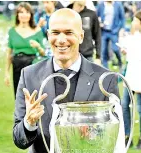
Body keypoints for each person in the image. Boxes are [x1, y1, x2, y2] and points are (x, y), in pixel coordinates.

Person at [13, 8, 119, 153]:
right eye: (55, 33)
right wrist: (29, 123)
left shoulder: (105, 79)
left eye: (69, 33)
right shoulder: (29, 75)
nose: (61, 40)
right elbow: (19, 140)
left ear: (81, 36)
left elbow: (114, 138)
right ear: (48, 35)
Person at [4, 2, 45, 97]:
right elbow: (9, 53)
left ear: (31, 15)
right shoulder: (12, 31)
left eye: (27, 12)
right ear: (17, 15)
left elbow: (43, 53)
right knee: (18, 96)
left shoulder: (37, 30)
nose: (24, 15)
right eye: (21, 12)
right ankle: (20, 112)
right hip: (17, 65)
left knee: (32, 95)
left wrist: (38, 46)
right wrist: (6, 73)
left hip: (32, 65)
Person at [119, 10, 141, 149]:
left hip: (139, 77)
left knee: (139, 107)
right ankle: (127, 135)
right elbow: (131, 56)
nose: (132, 22)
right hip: (130, 76)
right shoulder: (134, 37)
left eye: (135, 20)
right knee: (124, 105)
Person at [97, 1, 125, 69]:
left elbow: (122, 18)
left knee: (115, 48)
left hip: (114, 31)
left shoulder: (118, 4)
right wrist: (99, 22)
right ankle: (106, 70)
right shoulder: (101, 5)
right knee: (103, 51)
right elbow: (97, 16)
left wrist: (121, 28)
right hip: (104, 31)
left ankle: (120, 62)